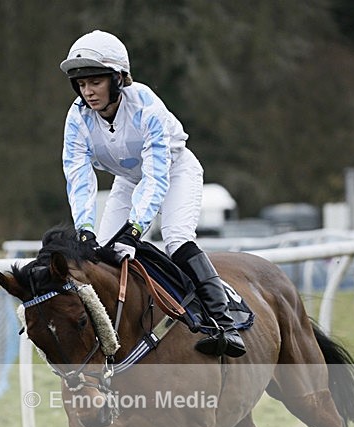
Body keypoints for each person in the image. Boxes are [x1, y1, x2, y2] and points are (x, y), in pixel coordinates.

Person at [60, 30, 246, 358]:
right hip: (128, 181)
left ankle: (224, 321)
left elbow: (157, 176)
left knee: (177, 240)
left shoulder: (146, 105)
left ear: (118, 79)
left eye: (96, 82)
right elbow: (78, 177)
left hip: (175, 172)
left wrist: (135, 229)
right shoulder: (77, 117)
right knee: (101, 255)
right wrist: (85, 229)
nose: (87, 92)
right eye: (81, 84)